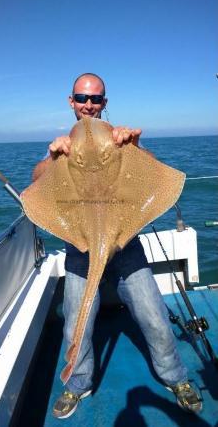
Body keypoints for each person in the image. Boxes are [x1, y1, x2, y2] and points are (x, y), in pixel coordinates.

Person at [32, 73, 202, 419]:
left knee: (154, 316)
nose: (89, 105)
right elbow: (36, 184)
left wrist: (135, 147)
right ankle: (77, 383)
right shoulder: (63, 146)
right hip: (81, 248)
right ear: (71, 101)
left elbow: (155, 170)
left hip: (125, 245)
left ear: (104, 103)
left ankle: (176, 377)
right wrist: (52, 158)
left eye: (95, 99)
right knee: (76, 323)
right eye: (82, 98)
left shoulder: (118, 138)